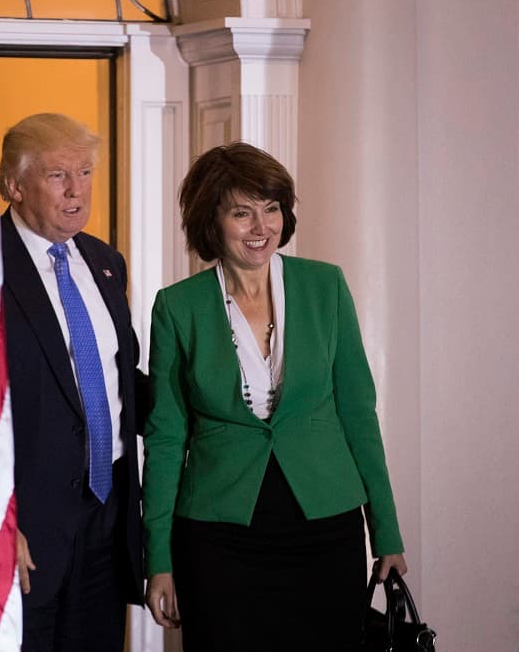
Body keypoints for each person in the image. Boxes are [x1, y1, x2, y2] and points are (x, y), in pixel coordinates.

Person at [142, 142, 407, 650]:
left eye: (271, 209)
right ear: (210, 220)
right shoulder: (177, 307)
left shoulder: (324, 286)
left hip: (325, 528)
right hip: (219, 537)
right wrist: (159, 560)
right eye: (242, 213)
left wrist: (387, 533)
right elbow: (166, 438)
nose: (262, 227)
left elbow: (358, 415)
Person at [0, 113, 144, 651]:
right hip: (25, 530)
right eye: (59, 175)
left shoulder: (105, 262)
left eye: (84, 173)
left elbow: (118, 380)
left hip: (106, 518)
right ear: (14, 186)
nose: (77, 191)